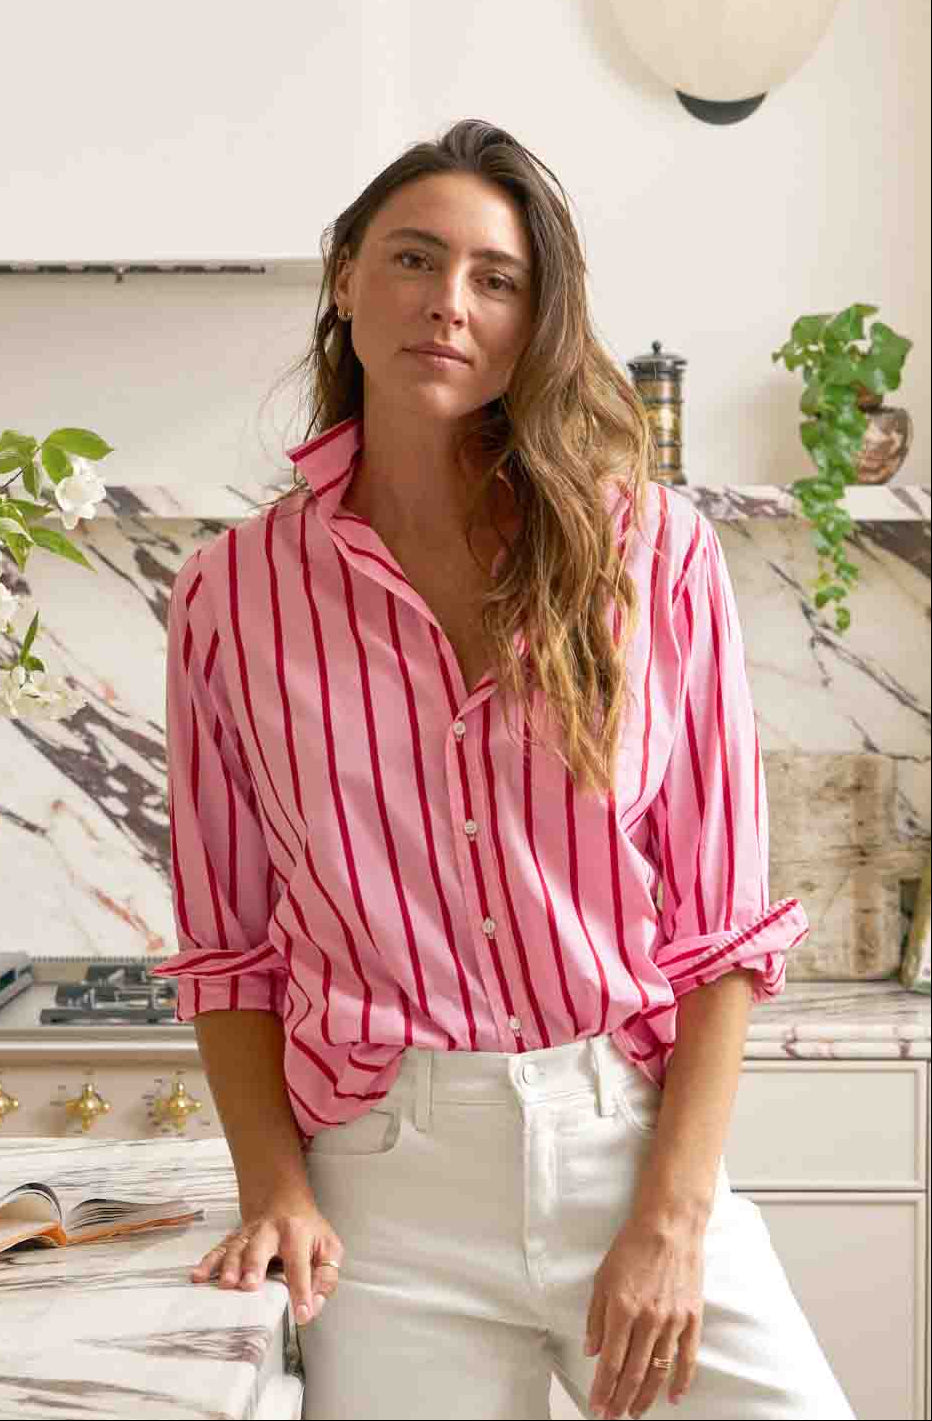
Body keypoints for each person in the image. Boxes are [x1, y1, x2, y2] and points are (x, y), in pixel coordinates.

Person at [151, 120, 855, 1421]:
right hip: (380, 1190)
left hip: (622, 1146)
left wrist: (675, 1218)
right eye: (415, 259)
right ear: (347, 276)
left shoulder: (652, 554)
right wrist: (277, 1185)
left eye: (498, 277)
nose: (448, 303)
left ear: (538, 317)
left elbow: (719, 934)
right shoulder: (230, 593)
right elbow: (231, 946)